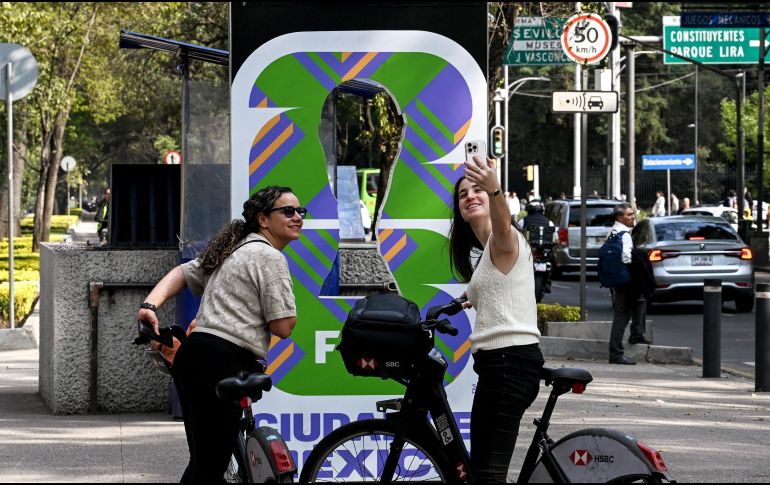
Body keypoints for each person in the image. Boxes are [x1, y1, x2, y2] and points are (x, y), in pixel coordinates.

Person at [136, 185, 303, 482]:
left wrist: (150, 305)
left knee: (205, 460)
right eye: (287, 211)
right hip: (223, 360)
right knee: (210, 465)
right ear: (263, 219)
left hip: (194, 357)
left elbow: (183, 273)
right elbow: (283, 327)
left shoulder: (233, 248)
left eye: (300, 211)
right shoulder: (269, 256)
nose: (297, 217)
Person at [449, 155, 544, 482]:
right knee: (482, 470)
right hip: (498, 366)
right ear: (459, 210)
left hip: (510, 364)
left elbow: (503, 224)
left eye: (478, 191)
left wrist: (495, 189)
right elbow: (485, 291)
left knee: (488, 475)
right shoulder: (488, 256)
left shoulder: (506, 240)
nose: (471, 196)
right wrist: (462, 300)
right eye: (463, 194)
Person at [607, 203, 650, 365]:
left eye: (633, 214)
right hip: (626, 280)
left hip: (617, 279)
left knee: (639, 302)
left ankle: (637, 333)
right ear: (620, 217)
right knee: (621, 316)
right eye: (629, 214)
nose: (633, 217)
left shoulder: (613, 231)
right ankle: (616, 353)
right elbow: (626, 258)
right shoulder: (624, 234)